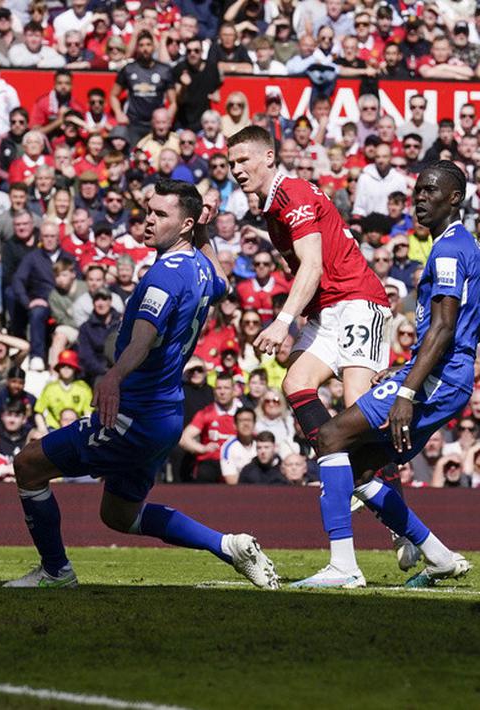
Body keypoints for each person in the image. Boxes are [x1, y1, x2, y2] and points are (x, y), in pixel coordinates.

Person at [4, 179, 278, 590]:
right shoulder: (202, 266)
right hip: (165, 414)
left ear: (184, 225)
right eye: (148, 211)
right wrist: (202, 230)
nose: (148, 221)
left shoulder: (162, 277)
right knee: (119, 515)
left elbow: (143, 337)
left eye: (160, 215)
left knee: (28, 464)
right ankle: (230, 546)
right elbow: (221, 283)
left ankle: (55, 572)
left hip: (134, 413)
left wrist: (114, 374)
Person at [295, 162, 475, 589]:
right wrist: (409, 369)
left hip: (437, 380)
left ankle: (343, 566)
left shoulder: (449, 249)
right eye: (418, 191)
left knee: (331, 437)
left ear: (455, 198)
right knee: (357, 471)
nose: (421, 198)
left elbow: (446, 326)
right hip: (445, 377)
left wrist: (409, 389)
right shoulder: (462, 245)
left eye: (432, 190)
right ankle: (439, 557)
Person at [228, 125, 393, 578]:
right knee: (296, 384)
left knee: (356, 411)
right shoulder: (271, 211)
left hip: (358, 299)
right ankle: (345, 470)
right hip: (329, 310)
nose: (237, 170)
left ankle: (392, 512)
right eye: (231, 164)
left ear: (268, 157)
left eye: (244, 160)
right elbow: (309, 270)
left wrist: (283, 320)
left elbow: (315, 265)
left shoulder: (293, 192)